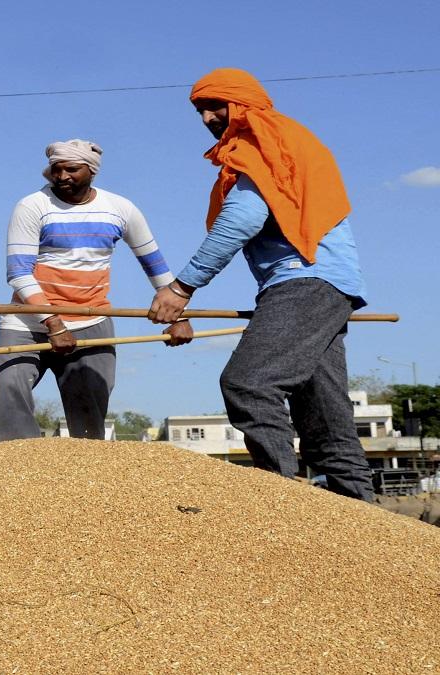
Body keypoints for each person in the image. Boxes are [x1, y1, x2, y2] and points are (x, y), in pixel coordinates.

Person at [147, 68, 374, 501]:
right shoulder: (286, 140)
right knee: (326, 418)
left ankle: (278, 505)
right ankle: (369, 523)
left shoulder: (262, 144)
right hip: (328, 285)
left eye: (215, 106)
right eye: (199, 111)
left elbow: (242, 219)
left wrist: (181, 288)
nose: (207, 118)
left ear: (243, 103)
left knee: (249, 384)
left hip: (305, 280)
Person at [0, 139, 192, 441]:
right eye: (57, 169)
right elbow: (19, 273)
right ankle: (17, 462)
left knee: (89, 415)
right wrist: (54, 323)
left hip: (92, 321)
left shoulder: (120, 209)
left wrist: (180, 316)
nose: (62, 176)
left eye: (72, 169)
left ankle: (88, 468)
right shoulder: (32, 206)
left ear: (92, 170)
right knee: (10, 387)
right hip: (28, 322)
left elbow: (154, 263)